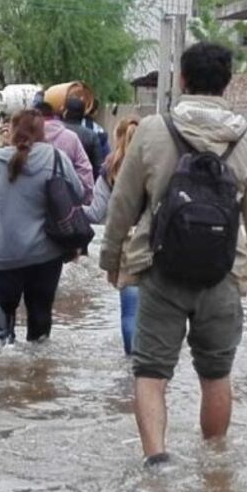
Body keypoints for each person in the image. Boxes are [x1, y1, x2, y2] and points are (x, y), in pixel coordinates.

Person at [99, 43, 247, 465]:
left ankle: (157, 461)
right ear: (227, 82)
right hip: (223, 273)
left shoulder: (153, 131)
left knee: (151, 372)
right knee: (216, 375)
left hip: (161, 272)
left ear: (181, 80)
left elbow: (122, 204)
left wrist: (112, 259)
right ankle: (213, 468)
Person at [0, 109, 85, 347]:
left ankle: (6, 360)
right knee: (40, 318)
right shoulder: (56, 158)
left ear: (11, 131)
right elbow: (79, 193)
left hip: (3, 255)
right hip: (45, 255)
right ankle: (38, 376)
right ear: (42, 131)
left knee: (3, 329)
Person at [83, 118, 139, 355]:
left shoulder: (111, 168)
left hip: (126, 243)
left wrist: (68, 209)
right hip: (158, 242)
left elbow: (96, 213)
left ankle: (132, 365)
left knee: (129, 312)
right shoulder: (159, 164)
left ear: (118, 138)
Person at [35, 101, 94, 204]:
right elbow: (85, 170)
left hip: (35, 203)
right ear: (53, 115)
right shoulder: (71, 137)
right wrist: (86, 198)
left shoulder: (28, 140)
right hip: (66, 204)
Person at [62, 96, 104, 180]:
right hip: (83, 184)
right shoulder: (92, 136)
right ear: (83, 114)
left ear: (65, 112)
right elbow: (98, 167)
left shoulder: (57, 131)